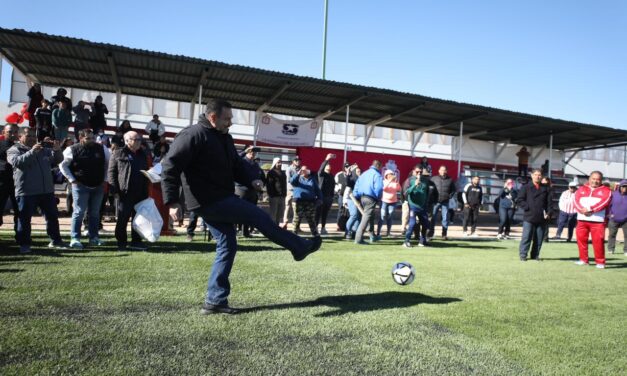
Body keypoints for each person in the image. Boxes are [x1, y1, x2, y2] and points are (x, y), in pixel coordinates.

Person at [161, 99, 321, 314]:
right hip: (208, 199)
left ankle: (215, 301)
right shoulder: (192, 135)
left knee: (227, 246)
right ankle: (299, 247)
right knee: (258, 216)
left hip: (218, 197)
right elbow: (170, 166)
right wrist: (172, 202)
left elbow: (236, 165)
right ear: (213, 117)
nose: (231, 123)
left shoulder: (224, 138)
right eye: (227, 119)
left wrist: (251, 181)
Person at [7, 128, 66, 253]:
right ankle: (24, 244)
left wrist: (57, 150)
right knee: (24, 219)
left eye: (34, 135)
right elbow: (18, 162)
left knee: (52, 217)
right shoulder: (13, 150)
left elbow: (58, 160)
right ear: (20, 137)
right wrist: (32, 151)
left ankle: (56, 240)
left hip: (46, 191)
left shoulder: (43, 149)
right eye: (28, 135)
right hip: (26, 191)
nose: (32, 138)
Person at [60, 129, 109, 249]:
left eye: (92, 137)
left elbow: (108, 164)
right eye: (88, 138)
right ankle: (75, 238)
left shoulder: (102, 149)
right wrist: (72, 180)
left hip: (98, 185)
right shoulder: (71, 149)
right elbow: (62, 165)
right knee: (79, 212)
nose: (91, 140)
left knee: (95, 213)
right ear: (81, 138)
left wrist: (105, 179)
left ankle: (94, 237)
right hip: (80, 186)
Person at [108, 131, 150, 251]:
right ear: (127, 141)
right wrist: (114, 190)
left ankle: (136, 241)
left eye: (139, 139)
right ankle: (121, 242)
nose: (138, 142)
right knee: (123, 218)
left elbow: (145, 170)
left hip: (141, 192)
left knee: (138, 219)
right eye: (135, 139)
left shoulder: (143, 154)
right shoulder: (118, 153)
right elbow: (111, 172)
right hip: (124, 192)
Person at [573, 171, 612, 268]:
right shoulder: (581, 189)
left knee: (598, 242)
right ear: (589, 179)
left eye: (597, 179)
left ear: (601, 180)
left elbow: (604, 203)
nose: (595, 181)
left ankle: (600, 262)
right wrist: (582, 210)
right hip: (582, 219)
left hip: (597, 221)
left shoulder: (607, 191)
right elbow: (575, 201)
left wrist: (591, 209)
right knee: (581, 240)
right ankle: (583, 260)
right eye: (593, 179)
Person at [516, 169, 551, 261]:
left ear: (541, 176)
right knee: (526, 237)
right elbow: (519, 200)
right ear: (532, 176)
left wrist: (548, 213)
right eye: (535, 175)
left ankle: (535, 255)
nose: (537, 176)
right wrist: (528, 207)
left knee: (539, 239)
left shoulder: (546, 188)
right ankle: (523, 255)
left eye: (539, 175)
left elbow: (549, 203)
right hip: (529, 216)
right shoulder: (526, 187)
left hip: (541, 217)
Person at [235, 146, 264, 237]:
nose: (253, 154)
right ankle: (234, 230)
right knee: (237, 211)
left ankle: (246, 232)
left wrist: (259, 185)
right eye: (251, 152)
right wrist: (244, 151)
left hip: (252, 191)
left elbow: (258, 176)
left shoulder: (255, 164)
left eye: (254, 152)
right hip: (241, 189)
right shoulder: (242, 161)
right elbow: (235, 159)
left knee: (249, 212)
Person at [353, 160, 383, 244]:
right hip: (371, 198)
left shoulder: (364, 173)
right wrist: (378, 197)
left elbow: (357, 185)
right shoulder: (377, 175)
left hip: (362, 197)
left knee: (370, 216)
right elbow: (379, 188)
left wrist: (356, 195)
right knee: (366, 218)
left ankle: (372, 236)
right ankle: (358, 239)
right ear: (379, 166)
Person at [291, 164, 322, 236]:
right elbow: (292, 181)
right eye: (302, 170)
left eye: (306, 170)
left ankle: (315, 234)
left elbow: (317, 190)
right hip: (298, 201)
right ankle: (294, 234)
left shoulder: (312, 179)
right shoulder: (297, 178)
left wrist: (320, 198)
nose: (304, 171)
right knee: (297, 218)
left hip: (310, 202)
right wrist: (297, 174)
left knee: (311, 218)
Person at [403, 166, 430, 247]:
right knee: (412, 223)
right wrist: (414, 185)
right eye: (417, 172)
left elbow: (427, 192)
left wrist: (425, 202)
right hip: (413, 206)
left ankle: (422, 241)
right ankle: (406, 241)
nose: (419, 174)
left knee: (425, 223)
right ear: (414, 171)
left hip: (422, 206)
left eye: (421, 172)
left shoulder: (425, 181)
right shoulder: (410, 180)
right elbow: (406, 192)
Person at [429, 165, 456, 240]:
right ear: (439, 171)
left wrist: (449, 196)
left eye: (444, 170)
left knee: (445, 218)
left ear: (446, 171)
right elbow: (430, 189)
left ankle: (444, 234)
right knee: (432, 218)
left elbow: (453, 190)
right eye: (441, 170)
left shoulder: (450, 180)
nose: (443, 171)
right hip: (435, 202)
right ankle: (430, 234)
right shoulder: (434, 179)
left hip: (445, 202)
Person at [0, 124, 19, 230]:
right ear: (4, 132)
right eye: (10, 132)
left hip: (16, 183)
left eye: (15, 132)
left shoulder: (20, 147)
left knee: (19, 211)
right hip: (1, 182)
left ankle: (21, 237)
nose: (13, 134)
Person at [377, 170, 401, 237]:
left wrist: (397, 182)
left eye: (392, 174)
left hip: (393, 202)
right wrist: (390, 181)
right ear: (386, 175)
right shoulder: (383, 181)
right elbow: (384, 189)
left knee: (390, 217)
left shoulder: (395, 182)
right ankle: (378, 232)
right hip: (384, 201)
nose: (392, 175)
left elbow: (399, 189)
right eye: (390, 174)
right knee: (382, 216)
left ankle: (388, 232)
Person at [316, 153, 336, 235]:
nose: (329, 166)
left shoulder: (331, 175)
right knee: (318, 213)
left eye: (329, 165)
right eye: (327, 165)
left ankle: (323, 228)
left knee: (325, 214)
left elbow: (332, 187)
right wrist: (326, 159)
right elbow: (320, 169)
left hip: (328, 198)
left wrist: (332, 197)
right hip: (321, 197)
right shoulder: (321, 175)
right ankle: (315, 228)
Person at [607, 180, 627, 255]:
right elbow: (608, 205)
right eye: (623, 186)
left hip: (626, 220)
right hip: (613, 219)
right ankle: (610, 249)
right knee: (612, 235)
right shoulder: (613, 194)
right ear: (620, 187)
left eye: (626, 186)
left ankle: (626, 250)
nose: (625, 188)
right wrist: (609, 214)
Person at [266, 157, 287, 225]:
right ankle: (272, 228)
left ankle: (277, 228)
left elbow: (284, 184)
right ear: (275, 163)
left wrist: (284, 194)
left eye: (280, 162)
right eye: (278, 162)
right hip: (274, 196)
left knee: (280, 214)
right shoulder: (271, 172)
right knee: (273, 214)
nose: (280, 164)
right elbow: (269, 184)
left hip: (282, 196)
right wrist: (271, 194)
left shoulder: (283, 173)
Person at [343, 165, 361, 240]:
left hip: (359, 200)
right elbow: (347, 183)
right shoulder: (352, 178)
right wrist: (348, 174)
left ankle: (354, 232)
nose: (359, 172)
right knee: (354, 215)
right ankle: (347, 232)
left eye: (360, 171)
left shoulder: (362, 179)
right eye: (357, 171)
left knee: (358, 218)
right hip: (352, 199)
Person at [282, 157, 301, 229]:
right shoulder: (289, 168)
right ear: (293, 161)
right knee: (287, 206)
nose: (298, 161)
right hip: (290, 190)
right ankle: (285, 223)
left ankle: (295, 226)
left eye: (299, 160)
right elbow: (289, 180)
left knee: (296, 208)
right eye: (296, 160)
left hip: (297, 191)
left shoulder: (300, 169)